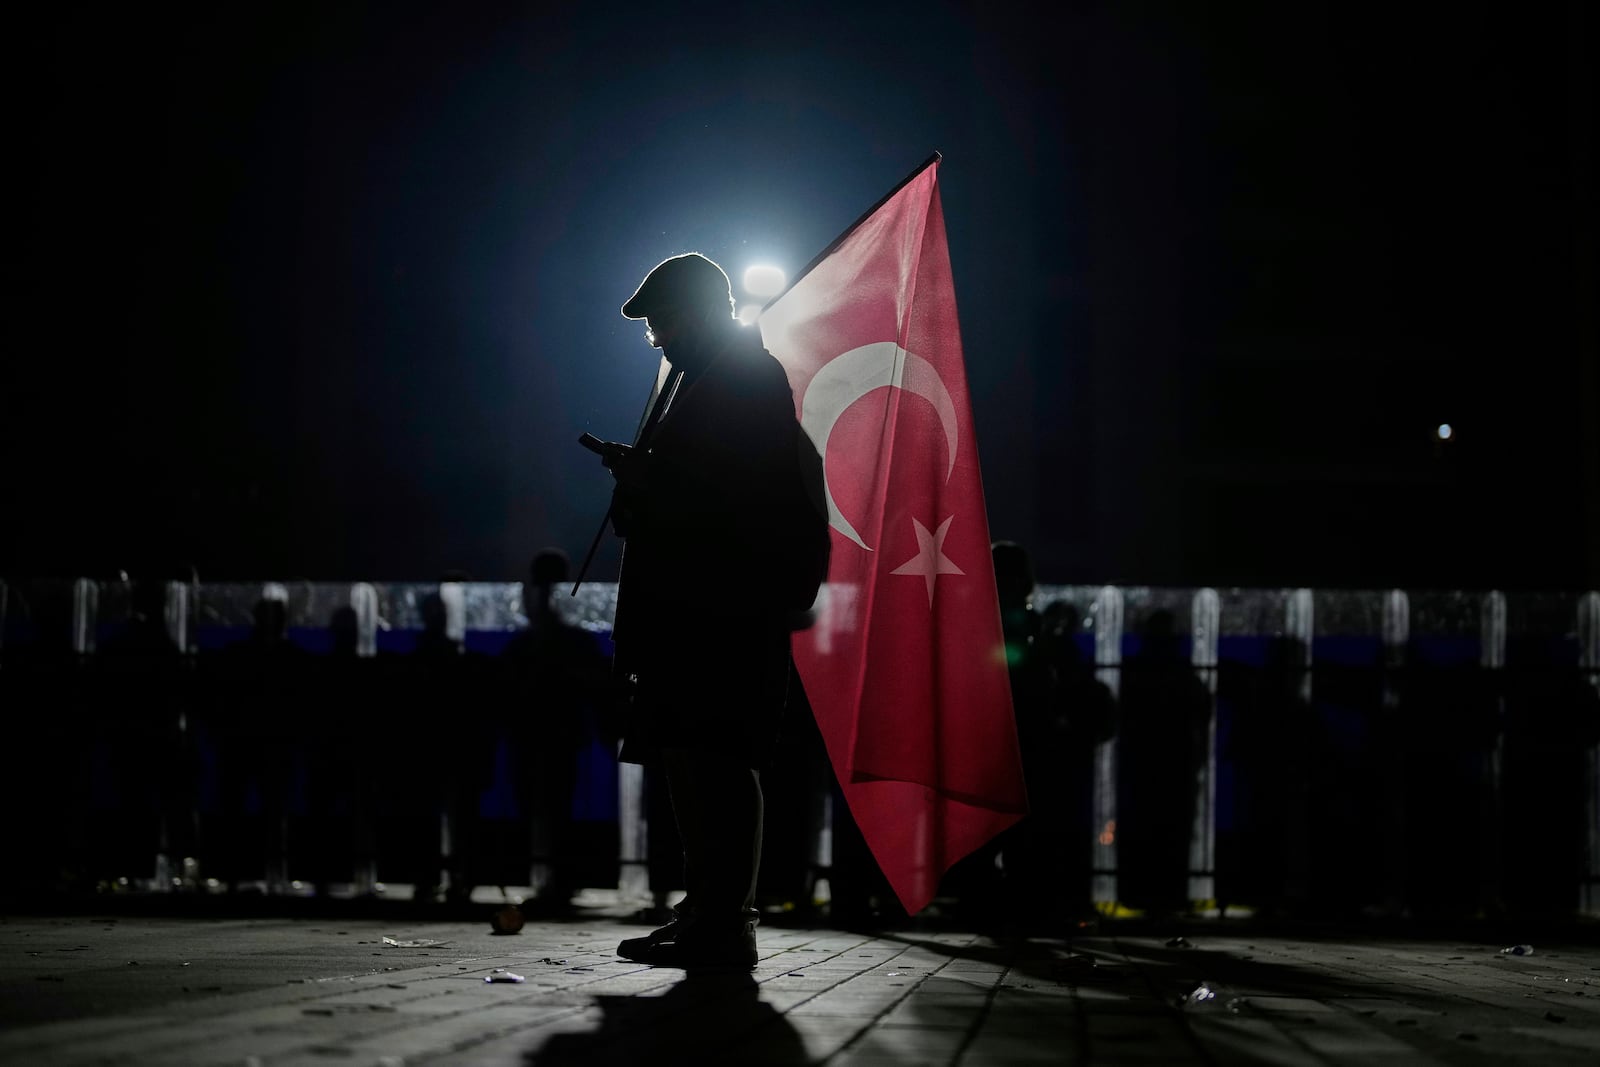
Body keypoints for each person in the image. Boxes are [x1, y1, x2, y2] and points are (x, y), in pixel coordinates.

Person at [592, 252, 827, 968]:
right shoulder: (706, 381)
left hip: (721, 612)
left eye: (662, 320)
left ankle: (726, 920)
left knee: (718, 761)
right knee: (693, 760)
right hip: (691, 613)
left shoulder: (744, 380)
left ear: (698, 313)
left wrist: (647, 478)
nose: (656, 336)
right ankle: (709, 911)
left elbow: (729, 499)